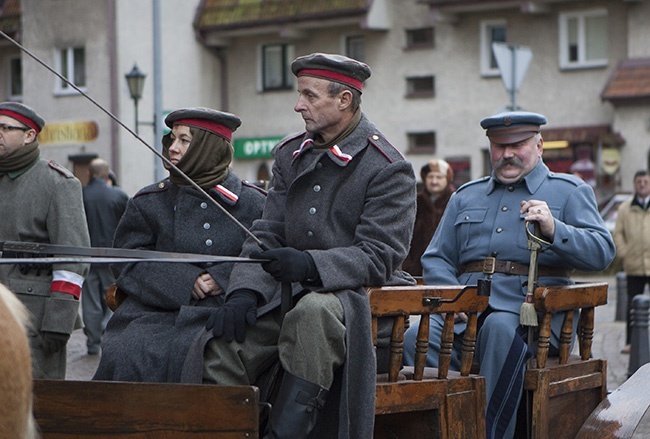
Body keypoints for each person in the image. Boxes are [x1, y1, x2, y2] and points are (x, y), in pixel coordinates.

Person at [182, 53, 416, 439]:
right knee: (222, 346)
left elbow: (380, 257)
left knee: (312, 316)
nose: (298, 105)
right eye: (299, 94)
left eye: (309, 95)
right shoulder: (290, 155)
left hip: (356, 304)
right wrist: (243, 292)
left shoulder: (387, 167)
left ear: (344, 100)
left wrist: (310, 265)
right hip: (287, 296)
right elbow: (267, 234)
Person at [403, 111, 615, 439]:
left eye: (518, 145)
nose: (508, 154)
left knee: (499, 331)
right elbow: (437, 257)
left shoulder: (569, 191)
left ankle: (488, 434)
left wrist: (554, 228)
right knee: (409, 340)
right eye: (499, 147)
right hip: (467, 315)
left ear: (540, 145)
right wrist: (452, 296)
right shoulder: (466, 195)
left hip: (535, 319)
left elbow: (603, 251)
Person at [92, 108, 266, 382]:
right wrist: (185, 281)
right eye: (172, 139)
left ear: (209, 147)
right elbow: (127, 259)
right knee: (126, 352)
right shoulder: (149, 201)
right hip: (155, 312)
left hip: (229, 311)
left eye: (185, 141)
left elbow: (267, 257)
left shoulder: (256, 203)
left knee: (216, 361)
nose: (172, 148)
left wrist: (223, 277)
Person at [0, 101, 90, 379]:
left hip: (33, 316)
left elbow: (73, 259)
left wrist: (58, 322)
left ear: (29, 135)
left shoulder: (57, 183)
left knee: (37, 406)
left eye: (5, 128)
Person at [81, 158, 129, 355]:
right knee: (113, 300)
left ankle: (93, 343)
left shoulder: (79, 194)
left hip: (87, 257)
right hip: (112, 258)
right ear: (107, 174)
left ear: (90, 174)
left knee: (90, 302)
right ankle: (111, 340)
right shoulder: (118, 195)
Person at [613, 170, 650, 354]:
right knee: (632, 306)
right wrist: (624, 252)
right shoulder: (625, 208)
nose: (642, 184)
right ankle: (630, 341)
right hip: (633, 264)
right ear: (635, 184)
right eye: (639, 181)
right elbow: (618, 233)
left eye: (645, 181)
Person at [403, 158, 455, 276]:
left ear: (447, 179)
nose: (434, 181)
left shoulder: (455, 202)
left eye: (439, 177)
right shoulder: (414, 202)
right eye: (430, 177)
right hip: (415, 272)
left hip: (447, 271)